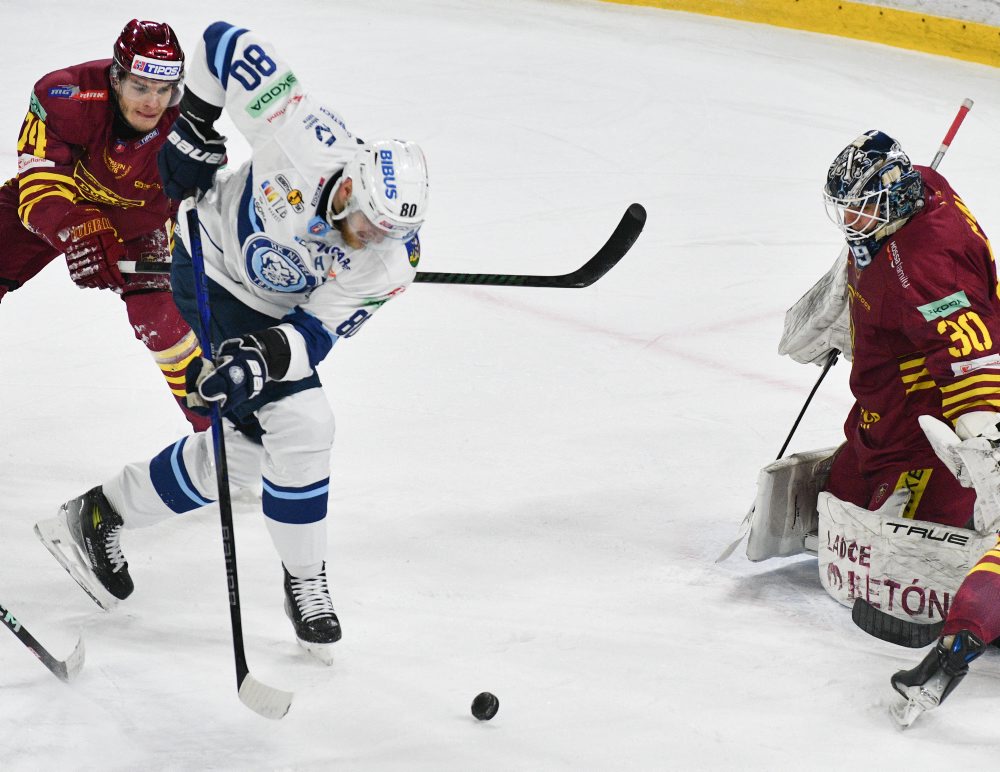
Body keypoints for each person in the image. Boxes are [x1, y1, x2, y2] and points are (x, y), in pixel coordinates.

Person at [33, 21, 429, 664]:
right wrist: (194, 124)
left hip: (271, 315)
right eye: (367, 222)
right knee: (303, 425)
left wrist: (258, 360)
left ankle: (99, 515)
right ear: (352, 182)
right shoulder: (306, 135)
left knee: (250, 451)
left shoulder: (389, 262)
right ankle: (305, 581)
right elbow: (221, 42)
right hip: (208, 264)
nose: (370, 240)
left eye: (386, 232)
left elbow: (313, 334)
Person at [0, 19, 210, 431]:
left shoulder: (188, 126)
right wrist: (81, 231)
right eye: (140, 87)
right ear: (116, 78)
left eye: (163, 89)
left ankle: (219, 428)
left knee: (164, 321)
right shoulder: (64, 94)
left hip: (143, 218)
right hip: (65, 201)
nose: (152, 101)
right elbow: (40, 186)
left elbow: (195, 204)